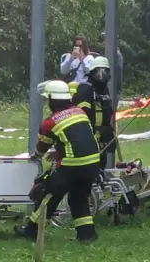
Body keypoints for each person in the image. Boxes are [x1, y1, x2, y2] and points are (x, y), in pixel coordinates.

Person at [16, 80, 102, 242]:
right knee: (78, 198)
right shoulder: (79, 112)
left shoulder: (50, 122)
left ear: (52, 100)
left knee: (48, 195)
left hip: (72, 166)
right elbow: (76, 139)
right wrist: (59, 152)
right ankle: (87, 235)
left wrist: (36, 156)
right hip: (92, 163)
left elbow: (42, 146)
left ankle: (31, 230)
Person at [76, 55, 117, 167]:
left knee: (101, 170)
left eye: (105, 72)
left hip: (101, 141)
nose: (101, 76)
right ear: (92, 73)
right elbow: (82, 118)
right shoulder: (85, 89)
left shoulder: (105, 91)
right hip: (88, 142)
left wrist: (109, 134)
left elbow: (108, 113)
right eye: (99, 72)